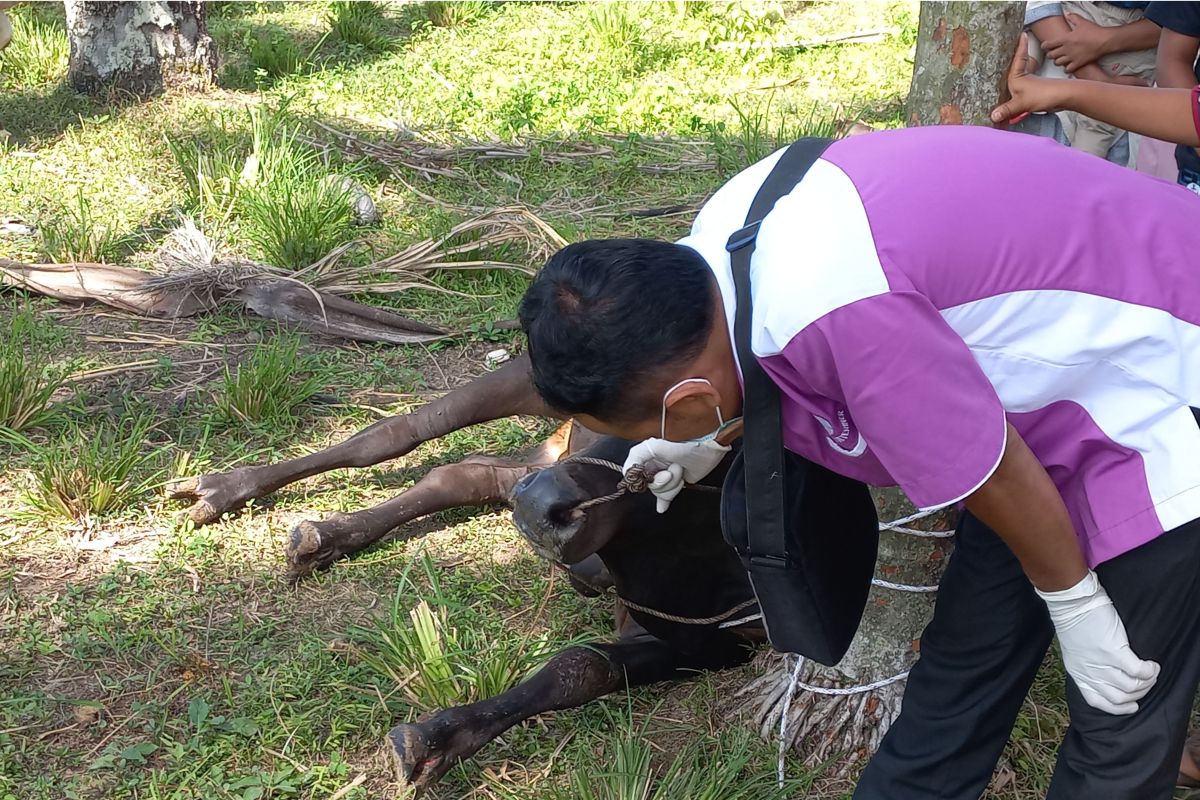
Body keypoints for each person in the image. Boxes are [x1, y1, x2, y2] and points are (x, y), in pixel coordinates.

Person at [517, 126, 1200, 799]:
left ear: (690, 396)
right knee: (960, 672)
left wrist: (1075, 603)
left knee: (1119, 711)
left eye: (645, 425)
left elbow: (991, 469)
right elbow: (790, 370)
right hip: (1035, 397)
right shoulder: (721, 243)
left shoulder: (846, 314)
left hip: (1161, 377)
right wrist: (705, 441)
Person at [1017, 1, 1158, 163]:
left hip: (1130, 28)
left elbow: (1177, 20)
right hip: (1067, 15)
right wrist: (1100, 84)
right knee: (1101, 119)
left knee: (1100, 120)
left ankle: (1078, 173)